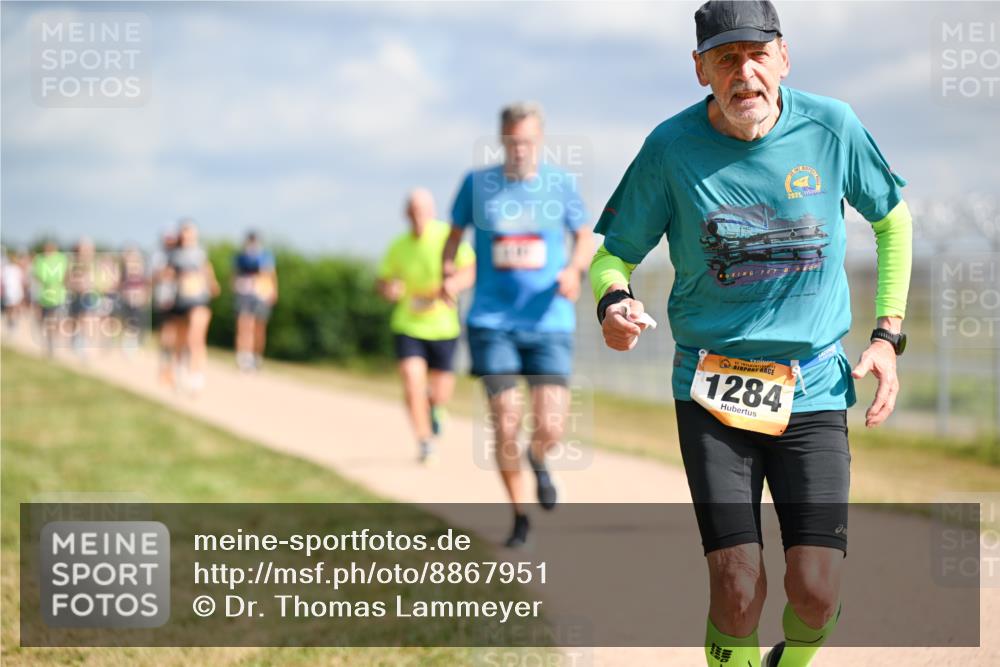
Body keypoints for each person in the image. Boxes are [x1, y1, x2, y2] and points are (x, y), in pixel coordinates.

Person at [589, 2, 912, 666]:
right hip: (711, 389)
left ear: (783, 58)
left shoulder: (832, 126)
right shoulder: (670, 148)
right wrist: (613, 302)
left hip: (813, 387)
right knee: (737, 584)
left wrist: (887, 335)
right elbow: (612, 255)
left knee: (815, 592)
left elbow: (893, 221)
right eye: (726, 59)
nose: (745, 74)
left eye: (758, 55)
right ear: (700, 69)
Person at [443, 102, 593, 547]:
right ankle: (520, 516)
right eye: (511, 142)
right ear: (501, 140)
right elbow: (453, 237)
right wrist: (447, 271)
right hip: (492, 323)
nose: (519, 149)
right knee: (506, 421)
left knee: (551, 425)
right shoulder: (476, 185)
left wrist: (574, 270)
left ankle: (538, 457)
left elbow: (583, 236)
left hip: (549, 322)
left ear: (539, 141)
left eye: (526, 141)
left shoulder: (560, 184)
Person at [377, 189, 475, 463]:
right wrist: (389, 289)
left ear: (432, 212)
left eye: (422, 211)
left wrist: (453, 284)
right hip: (408, 324)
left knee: (441, 392)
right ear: (406, 214)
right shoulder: (398, 245)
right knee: (412, 381)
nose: (418, 216)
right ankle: (424, 441)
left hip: (444, 326)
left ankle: (435, 407)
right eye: (413, 211)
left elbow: (470, 269)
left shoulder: (447, 238)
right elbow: (383, 281)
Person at [169, 220, 220, 393]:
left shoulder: (201, 252)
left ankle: (196, 374)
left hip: (199, 299)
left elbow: (207, 270)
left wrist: (212, 283)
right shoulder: (174, 254)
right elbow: (167, 274)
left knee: (195, 338)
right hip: (180, 300)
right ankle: (179, 370)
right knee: (181, 338)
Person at [232, 231, 278, 372]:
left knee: (259, 328)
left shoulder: (265, 256)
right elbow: (234, 275)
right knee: (244, 325)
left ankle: (256, 357)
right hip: (244, 293)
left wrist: (273, 292)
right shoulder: (241, 257)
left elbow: (271, 275)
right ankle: (243, 356)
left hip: (261, 293)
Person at [151, 230, 180, 385]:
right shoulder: (159, 256)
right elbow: (154, 277)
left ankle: (171, 368)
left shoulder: (179, 255)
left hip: (179, 299)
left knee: (175, 335)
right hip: (164, 299)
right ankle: (165, 367)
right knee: (166, 334)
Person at [31, 241, 69, 356]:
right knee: (43, 320)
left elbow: (66, 274)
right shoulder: (39, 259)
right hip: (43, 296)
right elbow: (37, 276)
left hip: (58, 296)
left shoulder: (61, 258)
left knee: (54, 319)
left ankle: (51, 343)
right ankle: (48, 340)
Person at [1, 247, 26, 331]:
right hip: (11, 290)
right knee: (11, 307)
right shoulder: (8, 268)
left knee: (13, 306)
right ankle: (11, 321)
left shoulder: (15, 268)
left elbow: (22, 281)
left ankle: (13, 321)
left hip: (14, 290)